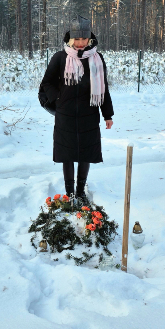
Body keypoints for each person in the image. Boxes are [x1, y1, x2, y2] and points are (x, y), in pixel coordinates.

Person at [39, 16, 114, 204]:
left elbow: (103, 87)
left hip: (89, 113)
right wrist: (59, 98)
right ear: (71, 39)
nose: (80, 43)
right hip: (66, 114)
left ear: (90, 39)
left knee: (85, 153)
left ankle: (80, 192)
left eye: (84, 39)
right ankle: (69, 193)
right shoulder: (60, 57)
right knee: (68, 154)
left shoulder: (97, 59)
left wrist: (107, 114)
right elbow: (47, 82)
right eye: (77, 39)